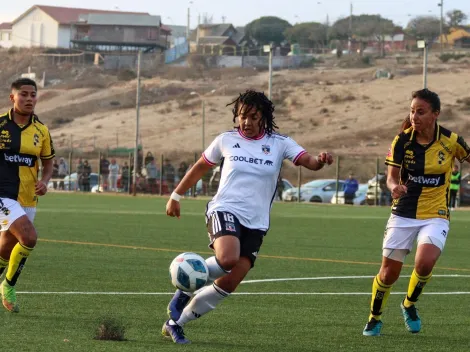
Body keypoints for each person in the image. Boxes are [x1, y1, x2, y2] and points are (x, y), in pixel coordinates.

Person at [161, 90, 334, 344]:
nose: (247, 122)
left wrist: (320, 161)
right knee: (227, 258)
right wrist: (176, 195)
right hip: (225, 209)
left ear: (263, 117)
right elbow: (200, 166)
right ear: (236, 116)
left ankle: (175, 323)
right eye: (243, 116)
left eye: (253, 116)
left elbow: (307, 160)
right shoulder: (226, 140)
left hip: (257, 222)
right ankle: (184, 290)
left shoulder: (280, 143)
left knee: (229, 282)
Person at [362, 89, 470, 336]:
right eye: (412, 111)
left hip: (436, 213)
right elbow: (390, 179)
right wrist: (394, 187)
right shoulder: (402, 141)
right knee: (389, 273)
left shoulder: (451, 141)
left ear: (435, 114)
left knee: (425, 262)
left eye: (420, 112)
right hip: (404, 212)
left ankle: (409, 304)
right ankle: (374, 317)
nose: (414, 116)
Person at [0, 78, 55, 312]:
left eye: (33, 94)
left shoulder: (41, 130)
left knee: (6, 247)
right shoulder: (0, 125)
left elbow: (48, 161)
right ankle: (9, 285)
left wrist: (44, 181)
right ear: (13, 97)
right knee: (29, 237)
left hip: (27, 197)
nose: (29, 98)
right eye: (23, 94)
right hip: (2, 195)